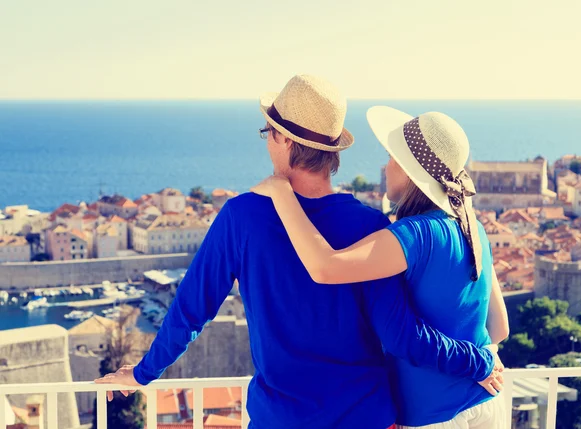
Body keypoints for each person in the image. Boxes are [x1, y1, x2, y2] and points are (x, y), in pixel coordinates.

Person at [95, 76, 503, 429]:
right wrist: (478, 360)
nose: (268, 144)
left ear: (285, 140)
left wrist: (145, 374)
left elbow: (190, 310)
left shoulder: (242, 217)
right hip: (370, 416)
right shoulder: (373, 226)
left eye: (267, 133)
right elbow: (397, 333)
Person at [250, 106, 510, 429]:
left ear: (408, 168)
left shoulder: (414, 235)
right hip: (490, 402)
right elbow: (499, 329)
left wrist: (280, 191)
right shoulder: (474, 228)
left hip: (434, 418)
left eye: (390, 156)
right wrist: (481, 364)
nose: (385, 166)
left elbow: (325, 267)